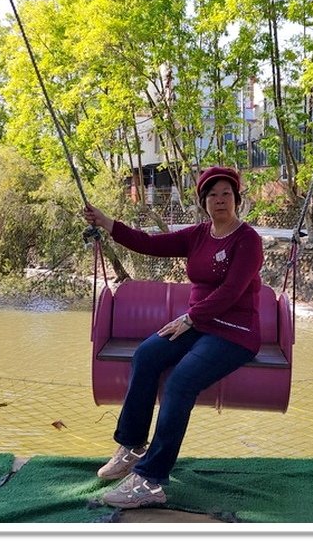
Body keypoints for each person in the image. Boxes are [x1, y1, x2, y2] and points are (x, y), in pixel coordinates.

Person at [82, 166, 263, 509]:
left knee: (181, 383)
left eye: (226, 193)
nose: (219, 200)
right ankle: (133, 447)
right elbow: (147, 243)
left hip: (235, 331)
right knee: (146, 356)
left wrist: (191, 317)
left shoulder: (248, 240)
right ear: (202, 202)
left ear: (237, 199)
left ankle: (151, 482)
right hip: (197, 324)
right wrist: (106, 221)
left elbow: (232, 291)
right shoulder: (197, 235)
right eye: (212, 195)